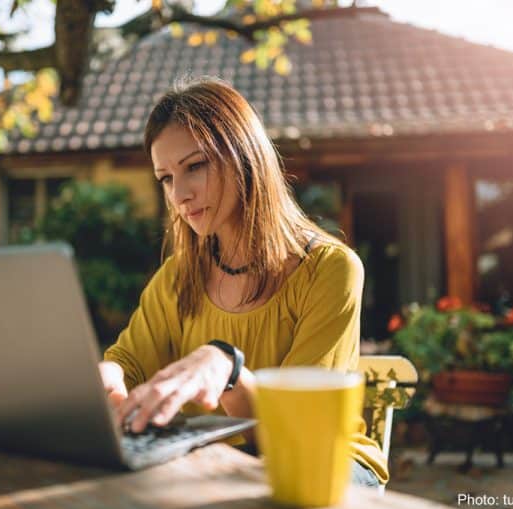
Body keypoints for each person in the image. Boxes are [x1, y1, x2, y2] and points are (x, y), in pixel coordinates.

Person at [99, 77, 387, 487]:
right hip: (216, 467)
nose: (179, 194)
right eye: (165, 178)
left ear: (244, 157)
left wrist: (227, 368)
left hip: (326, 463)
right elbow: (127, 364)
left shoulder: (330, 270)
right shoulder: (177, 278)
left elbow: (299, 431)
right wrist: (106, 377)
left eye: (194, 166)